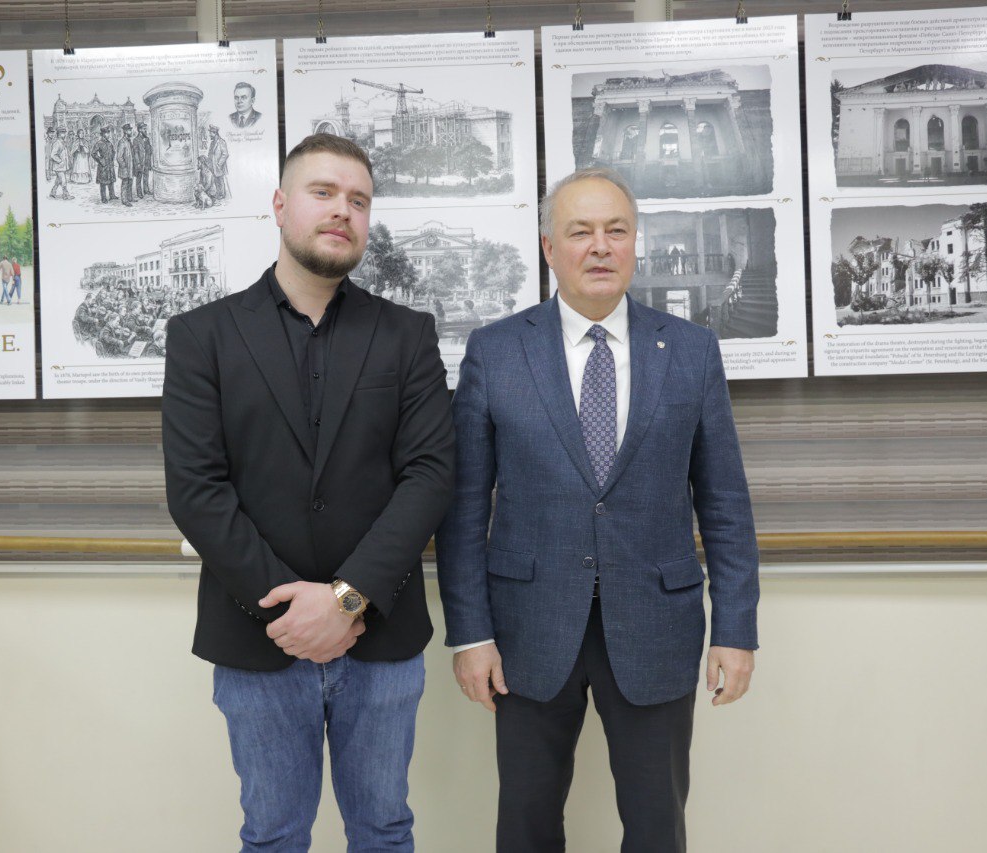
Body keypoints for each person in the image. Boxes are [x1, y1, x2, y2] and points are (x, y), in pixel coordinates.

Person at [436, 167, 759, 853]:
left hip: (656, 625)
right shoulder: (496, 351)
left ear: (636, 243)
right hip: (526, 631)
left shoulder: (691, 350)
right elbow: (463, 510)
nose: (601, 246)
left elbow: (725, 503)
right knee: (526, 825)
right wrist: (470, 634)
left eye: (616, 230)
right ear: (549, 247)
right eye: (580, 231)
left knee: (657, 826)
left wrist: (736, 629)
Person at [161, 132, 455, 852]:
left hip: (380, 639)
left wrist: (346, 600)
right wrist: (295, 612)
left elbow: (430, 475)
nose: (342, 210)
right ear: (280, 203)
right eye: (323, 192)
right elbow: (196, 489)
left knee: (384, 830)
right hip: (259, 638)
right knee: (273, 836)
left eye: (359, 200)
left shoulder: (407, 334)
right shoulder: (203, 335)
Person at [93, 126, 117, 203]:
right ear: (103, 134)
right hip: (103, 166)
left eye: (108, 133)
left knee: (111, 180)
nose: (108, 135)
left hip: (110, 164)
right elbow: (93, 153)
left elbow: (113, 151)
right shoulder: (99, 143)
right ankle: (103, 198)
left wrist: (112, 159)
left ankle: (112, 195)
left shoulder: (109, 143)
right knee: (103, 182)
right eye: (107, 133)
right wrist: (101, 160)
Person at [49, 128, 73, 200]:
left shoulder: (63, 142)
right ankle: (66, 195)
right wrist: (60, 161)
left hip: (62, 166)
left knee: (58, 181)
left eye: (64, 133)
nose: (64, 134)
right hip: (58, 166)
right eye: (62, 133)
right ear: (58, 134)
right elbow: (53, 155)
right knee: (63, 181)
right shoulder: (57, 143)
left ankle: (52, 193)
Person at [207, 125, 229, 201]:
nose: (209, 135)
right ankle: (218, 193)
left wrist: (219, 164)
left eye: (210, 133)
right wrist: (209, 163)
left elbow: (225, 154)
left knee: (220, 180)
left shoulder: (221, 142)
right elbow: (210, 154)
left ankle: (222, 194)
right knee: (216, 180)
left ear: (215, 133)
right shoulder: (212, 142)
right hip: (213, 165)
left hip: (219, 166)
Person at [116, 123, 135, 207]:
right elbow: (119, 157)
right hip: (125, 168)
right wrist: (124, 166)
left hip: (130, 166)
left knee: (130, 182)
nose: (131, 131)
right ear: (125, 131)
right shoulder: (122, 142)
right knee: (125, 183)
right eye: (129, 130)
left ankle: (130, 197)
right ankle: (124, 200)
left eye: (131, 130)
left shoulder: (129, 141)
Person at [134, 122, 153, 199]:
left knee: (146, 176)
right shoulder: (136, 140)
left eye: (146, 129)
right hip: (140, 162)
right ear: (139, 130)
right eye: (144, 129)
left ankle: (146, 190)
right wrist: (138, 163)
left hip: (146, 161)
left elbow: (150, 150)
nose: (146, 130)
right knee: (139, 178)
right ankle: (139, 192)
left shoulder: (147, 139)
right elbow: (135, 152)